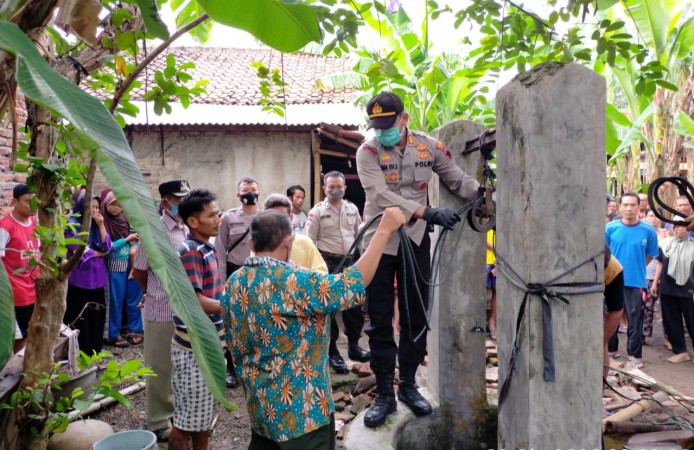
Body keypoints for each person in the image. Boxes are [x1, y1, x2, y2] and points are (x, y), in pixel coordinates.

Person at [221, 207, 406, 449]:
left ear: (250, 242)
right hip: (303, 419)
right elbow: (351, 284)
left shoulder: (233, 283)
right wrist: (383, 231)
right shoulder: (293, 281)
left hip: (261, 414)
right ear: (288, 242)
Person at [355, 91, 482, 427]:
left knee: (416, 313)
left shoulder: (428, 146)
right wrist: (427, 211)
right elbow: (380, 195)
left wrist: (484, 193)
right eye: (377, 126)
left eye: (388, 125)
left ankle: (408, 386)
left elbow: (456, 178)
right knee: (379, 317)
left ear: (404, 119)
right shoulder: (367, 151)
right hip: (379, 239)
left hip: (414, 240)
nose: (382, 132)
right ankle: (384, 393)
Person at [132, 179, 191, 443]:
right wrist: (154, 292)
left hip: (183, 310)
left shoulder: (185, 228)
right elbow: (139, 271)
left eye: (185, 198)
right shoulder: (154, 231)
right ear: (165, 200)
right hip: (161, 308)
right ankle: (156, 422)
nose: (182, 203)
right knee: (159, 367)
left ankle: (174, 414)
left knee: (178, 365)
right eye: (179, 199)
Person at [170, 189, 225, 450]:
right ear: (192, 222)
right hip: (193, 349)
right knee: (184, 423)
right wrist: (234, 307)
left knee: (201, 420)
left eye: (218, 213)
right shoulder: (191, 251)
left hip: (205, 345)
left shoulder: (205, 247)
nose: (218, 219)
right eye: (212, 215)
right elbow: (196, 302)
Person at [307, 171, 370, 373]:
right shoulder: (316, 212)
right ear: (324, 188)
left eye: (339, 186)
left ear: (345, 187)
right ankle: (332, 352)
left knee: (355, 306)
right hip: (328, 262)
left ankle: (354, 346)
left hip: (351, 261)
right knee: (330, 309)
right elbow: (309, 241)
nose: (336, 190)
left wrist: (363, 259)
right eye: (331, 186)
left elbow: (359, 236)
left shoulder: (352, 209)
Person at [216, 177, 261, 388]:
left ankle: (254, 366)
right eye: (245, 190)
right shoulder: (228, 218)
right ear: (238, 195)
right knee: (233, 321)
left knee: (257, 320)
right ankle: (231, 368)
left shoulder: (265, 217)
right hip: (236, 272)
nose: (249, 193)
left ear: (259, 193)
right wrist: (222, 281)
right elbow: (220, 252)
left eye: (253, 190)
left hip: (260, 274)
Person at [605, 193, 659, 369]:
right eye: (625, 205)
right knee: (610, 315)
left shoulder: (648, 230)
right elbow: (604, 254)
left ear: (639, 207)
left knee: (635, 319)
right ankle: (611, 351)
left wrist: (638, 267)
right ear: (620, 207)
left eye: (633, 205)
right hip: (612, 280)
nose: (629, 209)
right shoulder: (610, 228)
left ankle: (634, 355)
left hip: (636, 281)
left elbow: (650, 255)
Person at [63, 195, 111, 356]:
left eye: (97, 207)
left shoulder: (97, 226)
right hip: (79, 280)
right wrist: (99, 252)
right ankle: (81, 351)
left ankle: (95, 350)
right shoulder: (72, 226)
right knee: (80, 317)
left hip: (97, 279)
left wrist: (102, 225)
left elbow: (108, 247)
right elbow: (80, 251)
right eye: (91, 207)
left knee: (97, 315)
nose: (95, 210)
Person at [0, 183, 40, 352]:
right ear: (14, 202)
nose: (32, 205)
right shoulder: (5, 227)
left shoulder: (35, 224)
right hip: (16, 296)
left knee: (35, 336)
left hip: (35, 292)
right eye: (27, 201)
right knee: (21, 341)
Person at [102, 191, 143, 347]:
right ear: (106, 204)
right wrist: (126, 240)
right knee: (115, 300)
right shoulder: (103, 221)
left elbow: (135, 240)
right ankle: (114, 334)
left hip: (131, 263)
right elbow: (105, 247)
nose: (116, 209)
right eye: (113, 204)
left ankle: (134, 329)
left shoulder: (124, 219)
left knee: (134, 297)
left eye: (120, 205)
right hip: (114, 265)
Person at [650, 220, 694, 364]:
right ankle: (681, 351)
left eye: (684, 226)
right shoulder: (665, 244)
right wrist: (655, 283)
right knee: (671, 321)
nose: (680, 229)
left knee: (692, 321)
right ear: (673, 228)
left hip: (689, 290)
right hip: (668, 288)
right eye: (677, 226)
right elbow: (660, 263)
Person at [263, 194, 327, 272]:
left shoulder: (305, 242)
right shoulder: (262, 244)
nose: (278, 221)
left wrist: (296, 270)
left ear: (291, 217)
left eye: (282, 217)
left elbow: (322, 273)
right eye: (273, 217)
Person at [603, 245, 625, 378]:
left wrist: (601, 339)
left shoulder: (614, 268)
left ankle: (598, 391)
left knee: (600, 346)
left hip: (595, 306)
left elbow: (616, 310)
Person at [486, 229, 497, 340]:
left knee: (497, 291)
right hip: (484, 259)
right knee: (479, 291)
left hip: (497, 261)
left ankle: (491, 321)